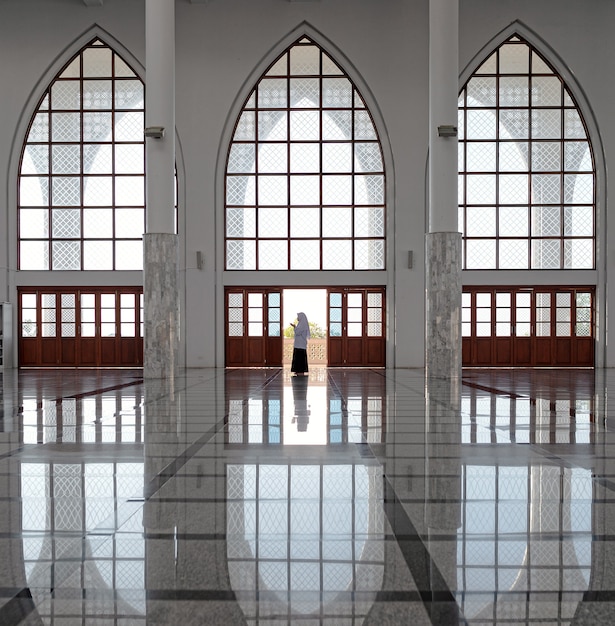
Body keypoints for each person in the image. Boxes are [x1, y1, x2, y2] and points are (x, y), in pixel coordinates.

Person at [290, 312, 310, 376]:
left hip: (300, 345)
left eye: (298, 316)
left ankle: (300, 370)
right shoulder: (300, 324)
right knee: (297, 357)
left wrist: (294, 327)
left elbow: (298, 332)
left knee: (300, 358)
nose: (297, 318)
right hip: (299, 344)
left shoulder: (302, 325)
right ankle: (297, 370)